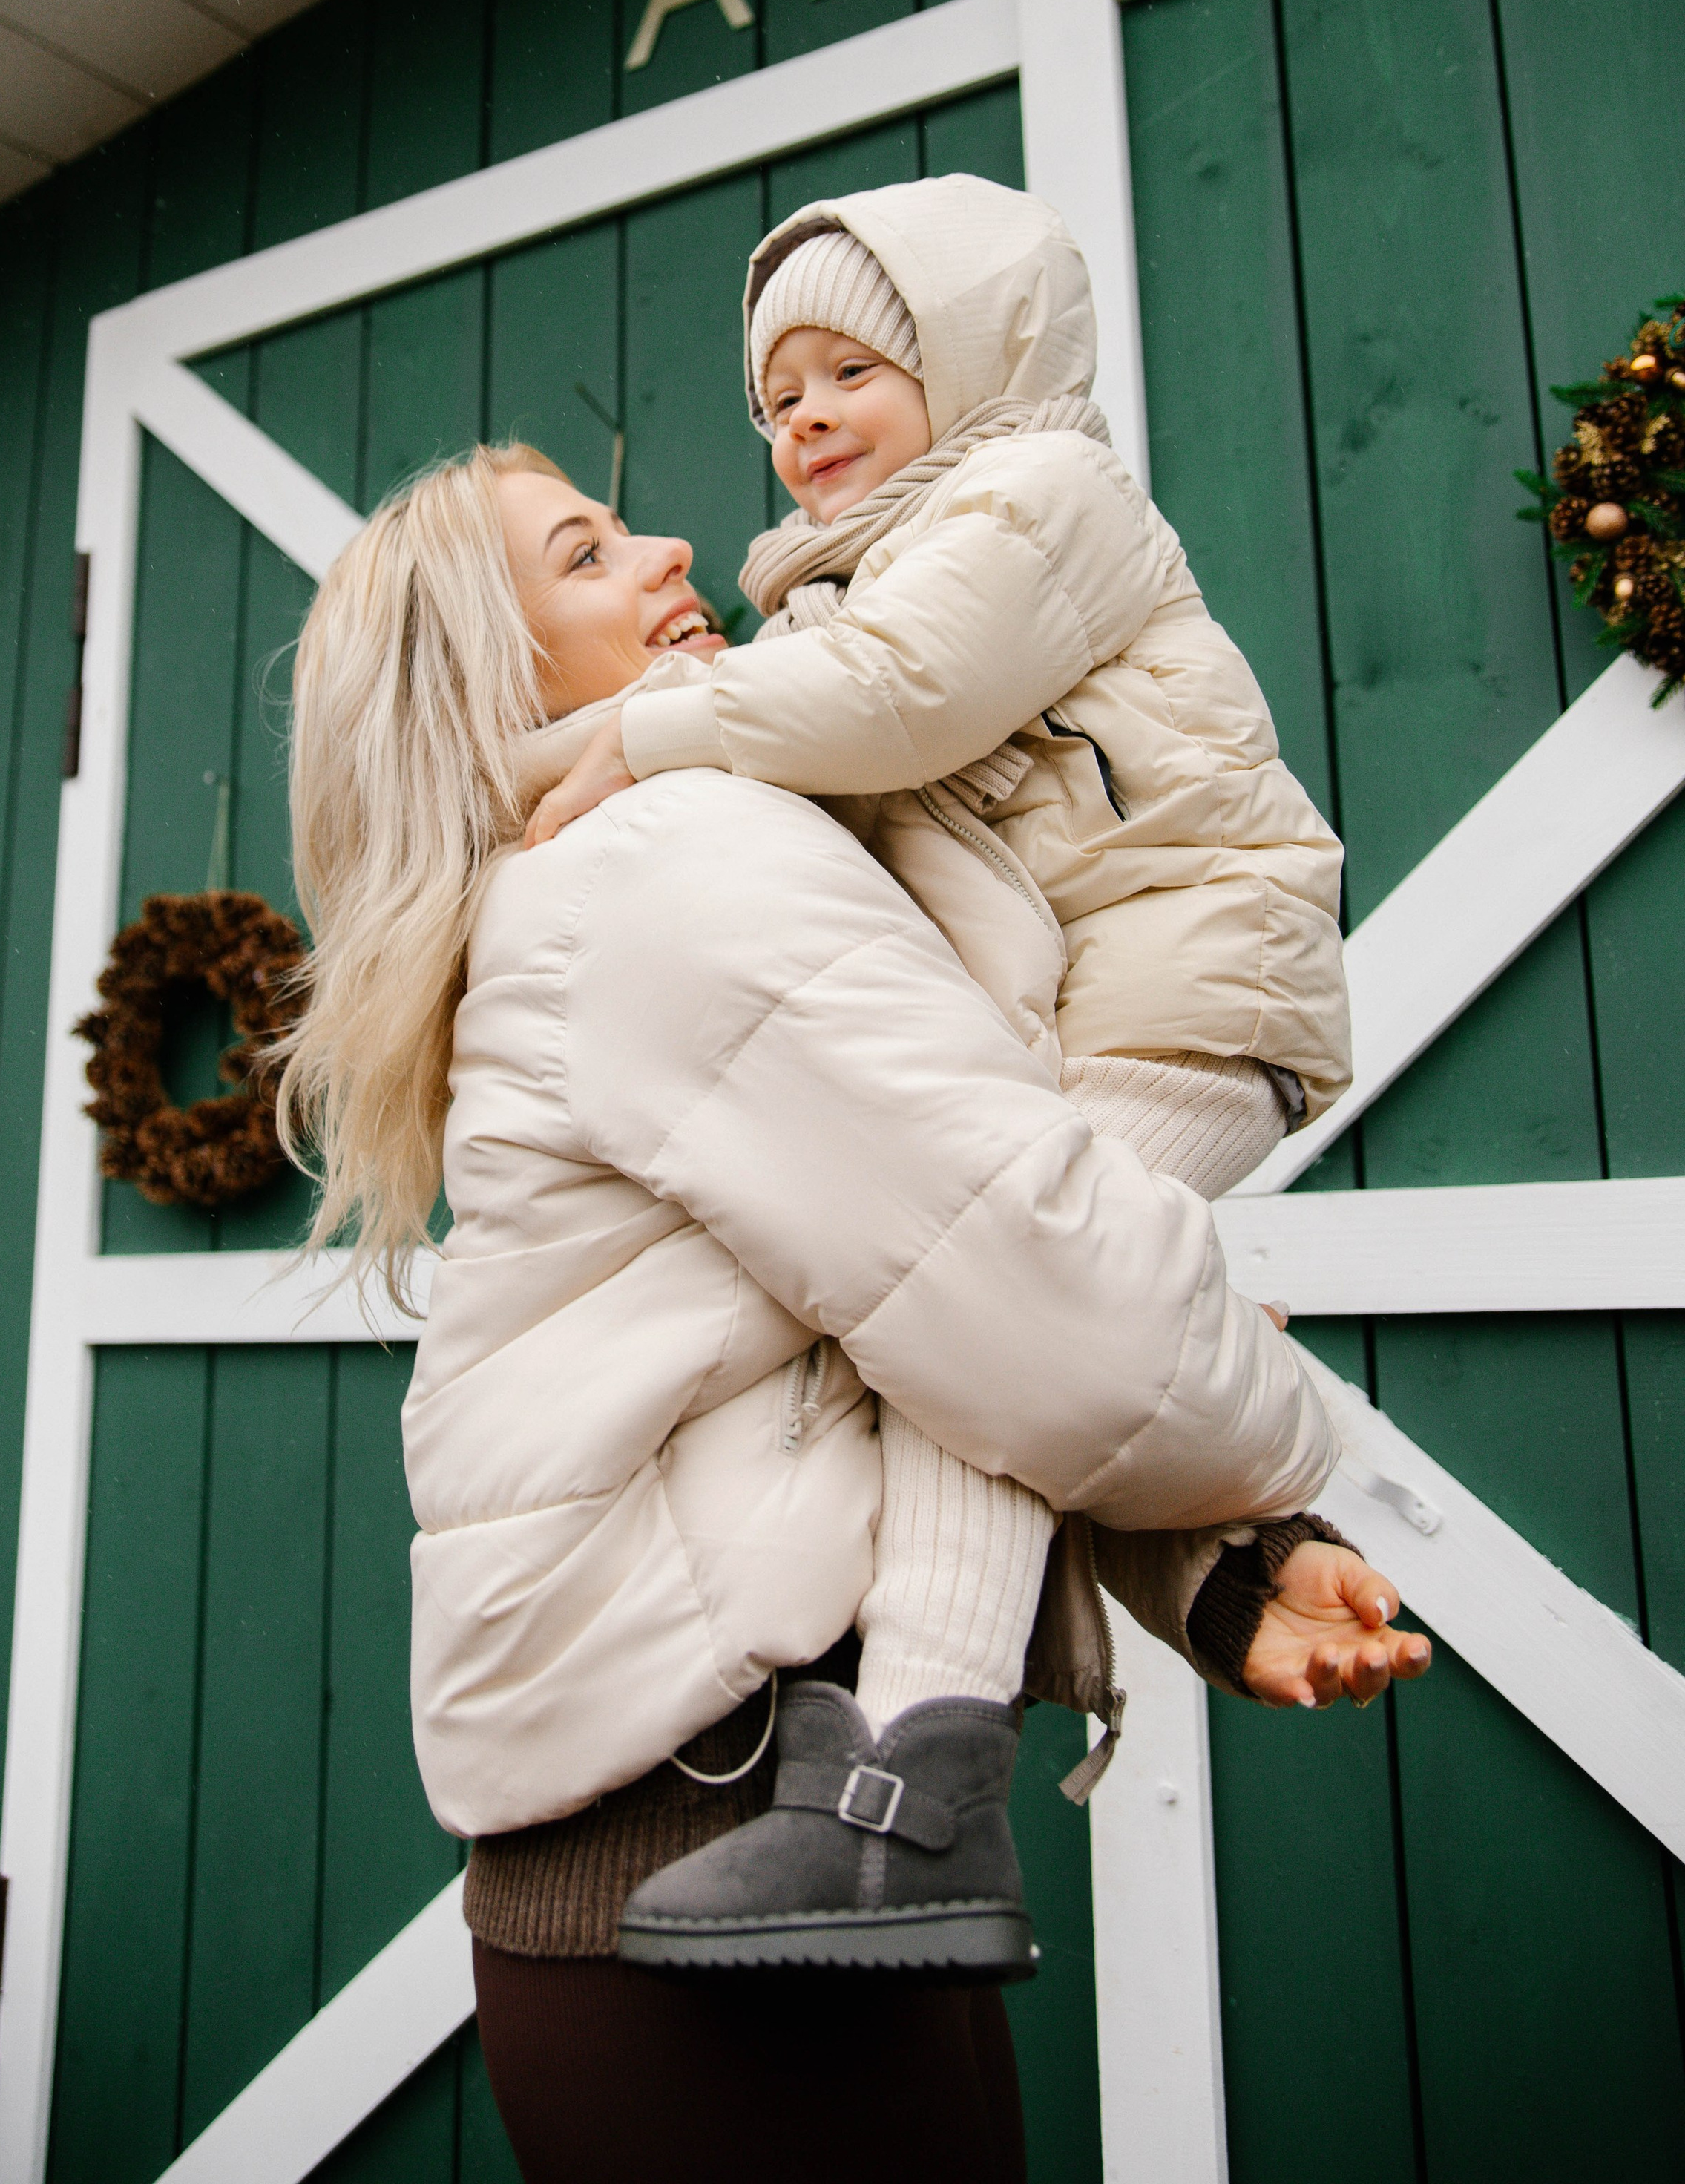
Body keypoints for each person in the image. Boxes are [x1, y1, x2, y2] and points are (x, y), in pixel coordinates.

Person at [280, 445, 1427, 2181]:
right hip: (721, 1882)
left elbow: (887, 1339)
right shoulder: (658, 863)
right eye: (584, 552)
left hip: (791, 1863)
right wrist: (1281, 1434)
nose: (671, 540)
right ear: (492, 681)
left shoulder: (654, 857)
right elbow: (1045, 1293)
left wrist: (1211, 1565)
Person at [522, 177, 1388, 1966]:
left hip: (1186, 990)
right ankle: (988, 1724)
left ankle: (909, 1793)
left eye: (850, 371)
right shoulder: (853, 583)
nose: (803, 422)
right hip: (1097, 1008)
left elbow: (900, 697)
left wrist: (635, 726)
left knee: (969, 1299)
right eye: (774, 402)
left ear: (974, 357)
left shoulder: (1033, 499)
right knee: (976, 1303)